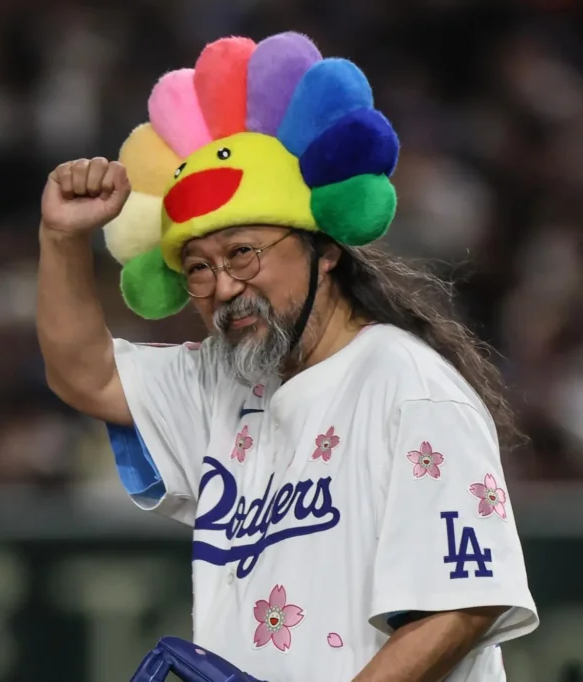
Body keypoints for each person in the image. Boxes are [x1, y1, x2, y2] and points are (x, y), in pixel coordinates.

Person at [36, 32, 538, 682]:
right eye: (197, 268)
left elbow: (462, 605)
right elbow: (86, 374)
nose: (222, 287)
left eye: (243, 252)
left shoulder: (406, 385)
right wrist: (61, 237)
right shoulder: (225, 379)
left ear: (324, 250)